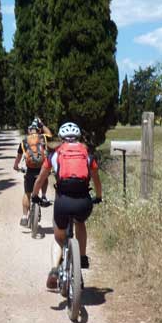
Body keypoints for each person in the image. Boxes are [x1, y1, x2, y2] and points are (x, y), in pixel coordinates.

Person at [30, 122, 102, 290]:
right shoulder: (88, 156)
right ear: (78, 138)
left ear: (61, 139)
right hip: (83, 203)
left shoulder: (54, 155)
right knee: (80, 223)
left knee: (58, 237)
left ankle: (55, 270)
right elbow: (97, 180)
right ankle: (82, 257)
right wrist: (98, 197)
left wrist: (35, 195)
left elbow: (41, 178)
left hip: (63, 202)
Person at [13, 118, 51, 226]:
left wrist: (16, 166)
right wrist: (42, 124)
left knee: (27, 193)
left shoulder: (24, 142)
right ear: (39, 131)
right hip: (42, 169)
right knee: (45, 176)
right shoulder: (43, 138)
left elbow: (18, 158)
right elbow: (50, 134)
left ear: (29, 130)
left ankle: (24, 216)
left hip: (30, 170)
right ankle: (43, 195)